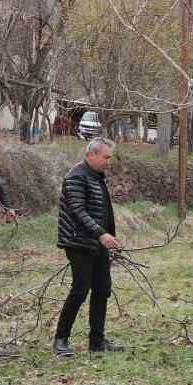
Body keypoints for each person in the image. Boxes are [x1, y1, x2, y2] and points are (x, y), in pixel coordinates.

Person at [52, 137, 122, 356]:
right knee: (80, 289)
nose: (108, 162)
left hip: (98, 242)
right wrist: (101, 234)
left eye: (109, 157)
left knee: (102, 289)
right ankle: (60, 340)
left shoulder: (96, 176)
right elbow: (77, 210)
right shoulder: (76, 177)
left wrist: (108, 236)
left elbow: (101, 211)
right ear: (91, 155)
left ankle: (97, 341)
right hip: (78, 242)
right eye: (106, 157)